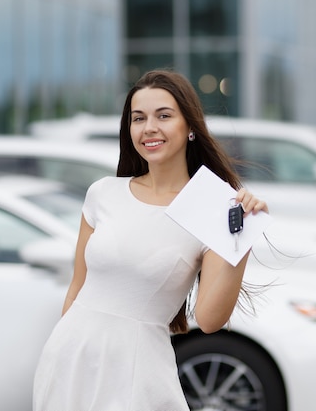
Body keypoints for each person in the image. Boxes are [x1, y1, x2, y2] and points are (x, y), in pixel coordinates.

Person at [32, 69, 269, 411]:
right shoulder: (103, 193)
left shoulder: (214, 208)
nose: (149, 128)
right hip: (69, 359)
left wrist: (242, 237)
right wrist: (61, 350)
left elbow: (209, 318)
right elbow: (77, 288)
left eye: (164, 116)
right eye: (138, 118)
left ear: (190, 126)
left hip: (138, 372)